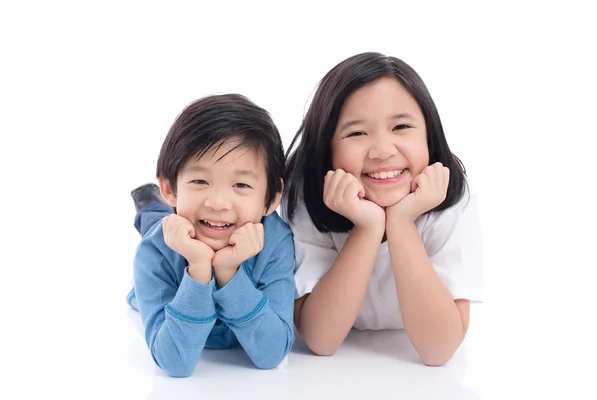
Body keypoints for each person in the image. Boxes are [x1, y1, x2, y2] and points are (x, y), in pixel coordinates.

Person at [282, 52, 484, 366]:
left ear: (429, 134)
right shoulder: (307, 196)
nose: (382, 151)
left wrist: (401, 223)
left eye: (401, 127)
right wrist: (367, 228)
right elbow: (320, 340)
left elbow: (439, 350)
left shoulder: (449, 198)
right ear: (326, 147)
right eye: (357, 133)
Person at [126, 94, 295, 377]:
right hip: (178, 226)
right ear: (170, 186)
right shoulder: (154, 252)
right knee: (156, 221)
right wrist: (199, 269)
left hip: (195, 219)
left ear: (272, 198)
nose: (218, 202)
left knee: (174, 217)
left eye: (240, 184)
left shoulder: (275, 241)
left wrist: (228, 272)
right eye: (200, 181)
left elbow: (271, 354)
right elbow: (174, 363)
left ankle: (155, 205)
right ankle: (150, 203)